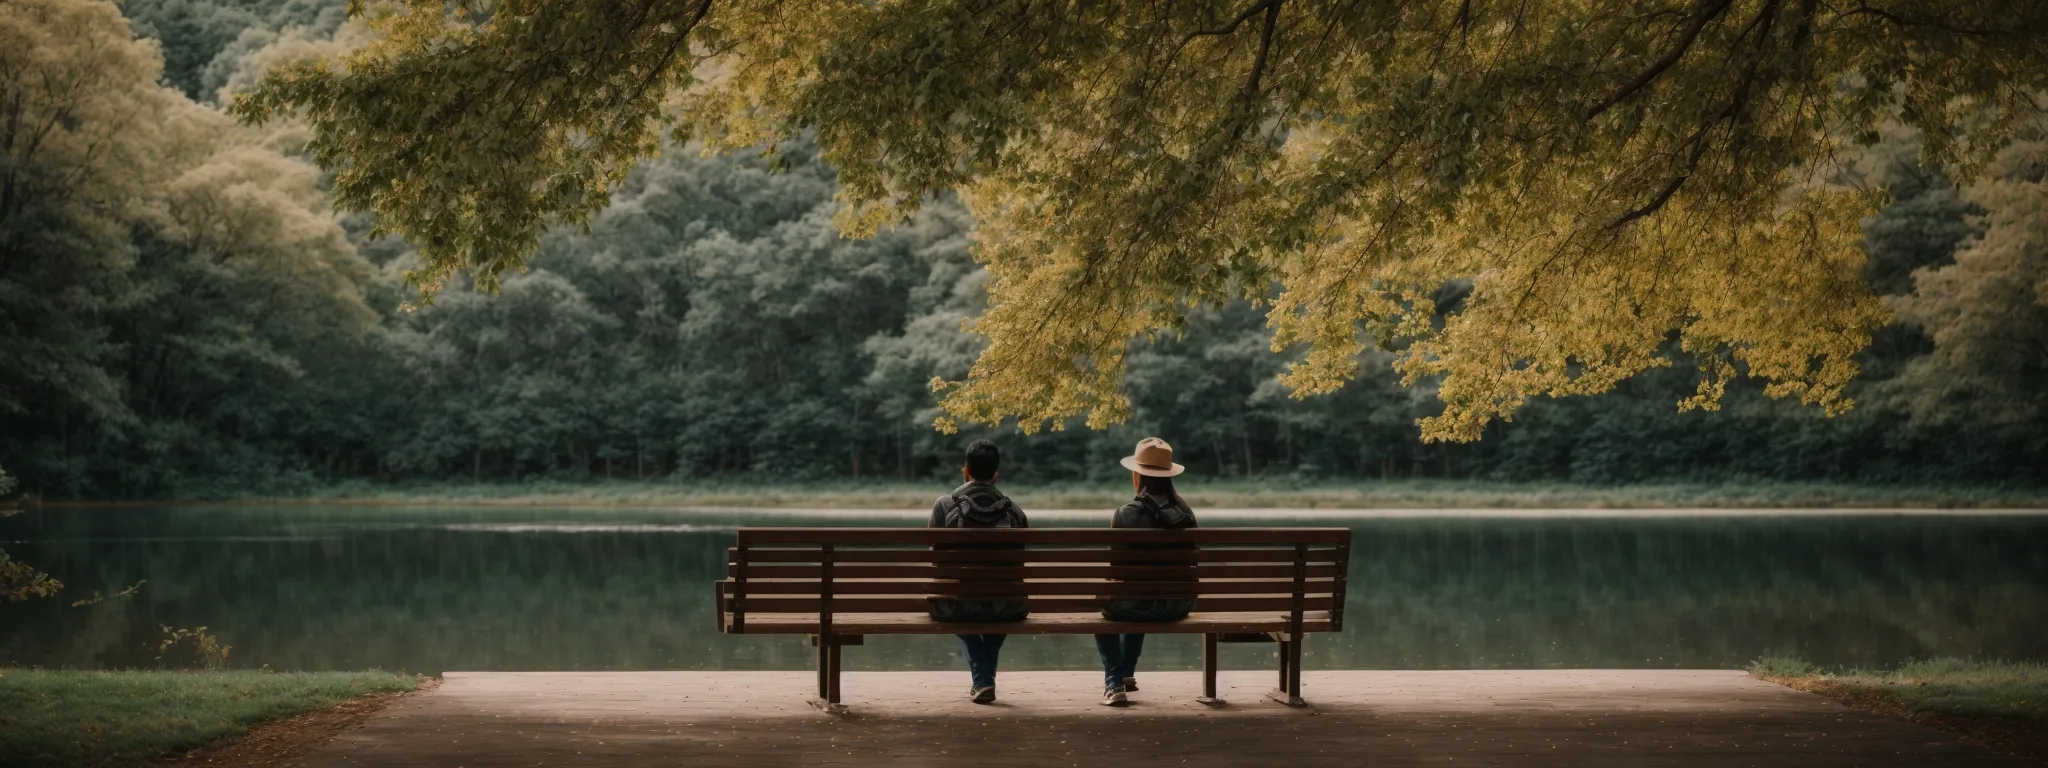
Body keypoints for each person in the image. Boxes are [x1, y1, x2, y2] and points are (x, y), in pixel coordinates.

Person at [1095, 437, 1198, 707]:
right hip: (1178, 605)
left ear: (1138, 475)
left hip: (1138, 605)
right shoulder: (1186, 514)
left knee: (1116, 604)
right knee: (1136, 594)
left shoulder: (1124, 515)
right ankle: (1126, 673)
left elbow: (1116, 568)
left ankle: (1114, 682)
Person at [927, 439, 1029, 704]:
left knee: (954, 599)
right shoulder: (1014, 510)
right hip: (1005, 606)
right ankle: (984, 677)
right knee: (998, 600)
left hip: (957, 605)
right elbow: (1020, 561)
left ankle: (983, 679)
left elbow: (934, 554)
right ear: (996, 473)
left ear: (965, 471)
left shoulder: (943, 506)